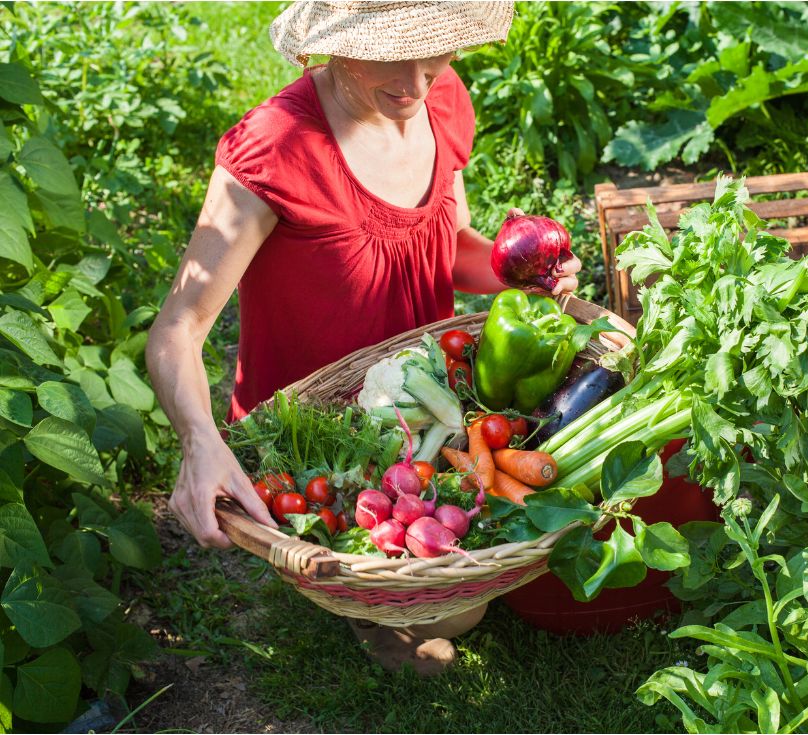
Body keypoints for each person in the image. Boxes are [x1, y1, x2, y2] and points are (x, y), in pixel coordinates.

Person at [146, 0, 582, 676]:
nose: (415, 82)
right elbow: (179, 327)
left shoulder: (441, 101)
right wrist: (198, 442)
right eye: (390, 54)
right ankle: (360, 594)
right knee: (457, 608)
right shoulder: (278, 147)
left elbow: (447, 247)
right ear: (336, 44)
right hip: (322, 430)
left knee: (483, 568)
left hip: (425, 397)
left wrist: (518, 275)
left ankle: (384, 580)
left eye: (433, 51)